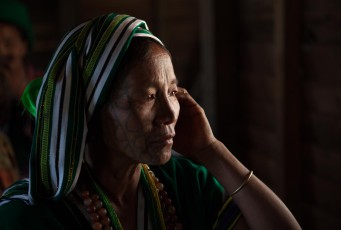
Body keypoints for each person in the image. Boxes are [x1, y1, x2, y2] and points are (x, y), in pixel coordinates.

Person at [0, 13, 301, 229]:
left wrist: (211, 150)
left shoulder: (183, 184)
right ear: (92, 110)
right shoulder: (32, 216)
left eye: (172, 91)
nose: (171, 112)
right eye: (148, 97)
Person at [0, 0, 40, 178]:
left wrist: (18, 98)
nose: (1, 52)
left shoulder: (44, 86)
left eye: (8, 43)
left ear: (24, 45)